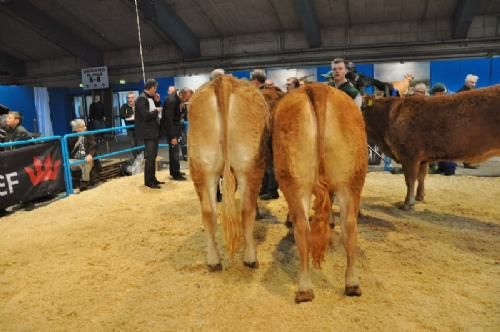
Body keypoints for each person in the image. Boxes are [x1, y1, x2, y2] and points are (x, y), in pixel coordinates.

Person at [135, 78, 163, 189]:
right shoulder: (141, 99)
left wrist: (156, 101)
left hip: (153, 132)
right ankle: (148, 181)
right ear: (151, 88)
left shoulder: (148, 98)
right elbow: (146, 115)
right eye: (155, 88)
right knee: (150, 157)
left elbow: (151, 109)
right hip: (148, 133)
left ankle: (153, 178)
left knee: (153, 156)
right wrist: (157, 110)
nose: (156, 90)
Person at [162, 86, 186, 181]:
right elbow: (169, 120)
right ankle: (176, 174)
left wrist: (183, 108)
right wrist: (172, 136)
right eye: (185, 98)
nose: (186, 100)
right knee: (174, 152)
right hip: (172, 131)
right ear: (181, 94)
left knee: (175, 152)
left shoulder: (178, 100)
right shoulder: (171, 100)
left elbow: (178, 114)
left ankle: (175, 171)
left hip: (176, 130)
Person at [68, 119, 97, 191]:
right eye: (83, 126)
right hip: (74, 159)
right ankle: (68, 183)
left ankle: (84, 182)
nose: (85, 127)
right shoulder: (71, 137)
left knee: (86, 161)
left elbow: (94, 146)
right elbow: (68, 150)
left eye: (85, 126)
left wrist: (90, 155)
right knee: (65, 163)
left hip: (85, 158)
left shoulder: (89, 134)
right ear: (76, 129)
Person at [458, 74, 480, 169]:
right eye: (472, 82)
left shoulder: (474, 92)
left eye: (475, 82)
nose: (474, 84)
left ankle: (469, 161)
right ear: (466, 82)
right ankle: (467, 162)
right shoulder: (461, 92)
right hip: (464, 121)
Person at [119, 92, 141, 157]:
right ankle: (135, 158)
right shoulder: (124, 106)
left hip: (138, 128)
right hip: (129, 129)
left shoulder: (138, 105)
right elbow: (121, 115)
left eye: (132, 98)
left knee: (139, 144)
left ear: (135, 98)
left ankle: (140, 158)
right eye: (128, 98)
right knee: (132, 144)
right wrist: (130, 116)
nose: (130, 99)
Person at [178, 87, 193, 161]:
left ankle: (187, 155)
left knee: (186, 140)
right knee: (182, 140)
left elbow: (186, 114)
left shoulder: (186, 103)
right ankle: (184, 156)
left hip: (186, 124)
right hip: (179, 126)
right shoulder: (176, 102)